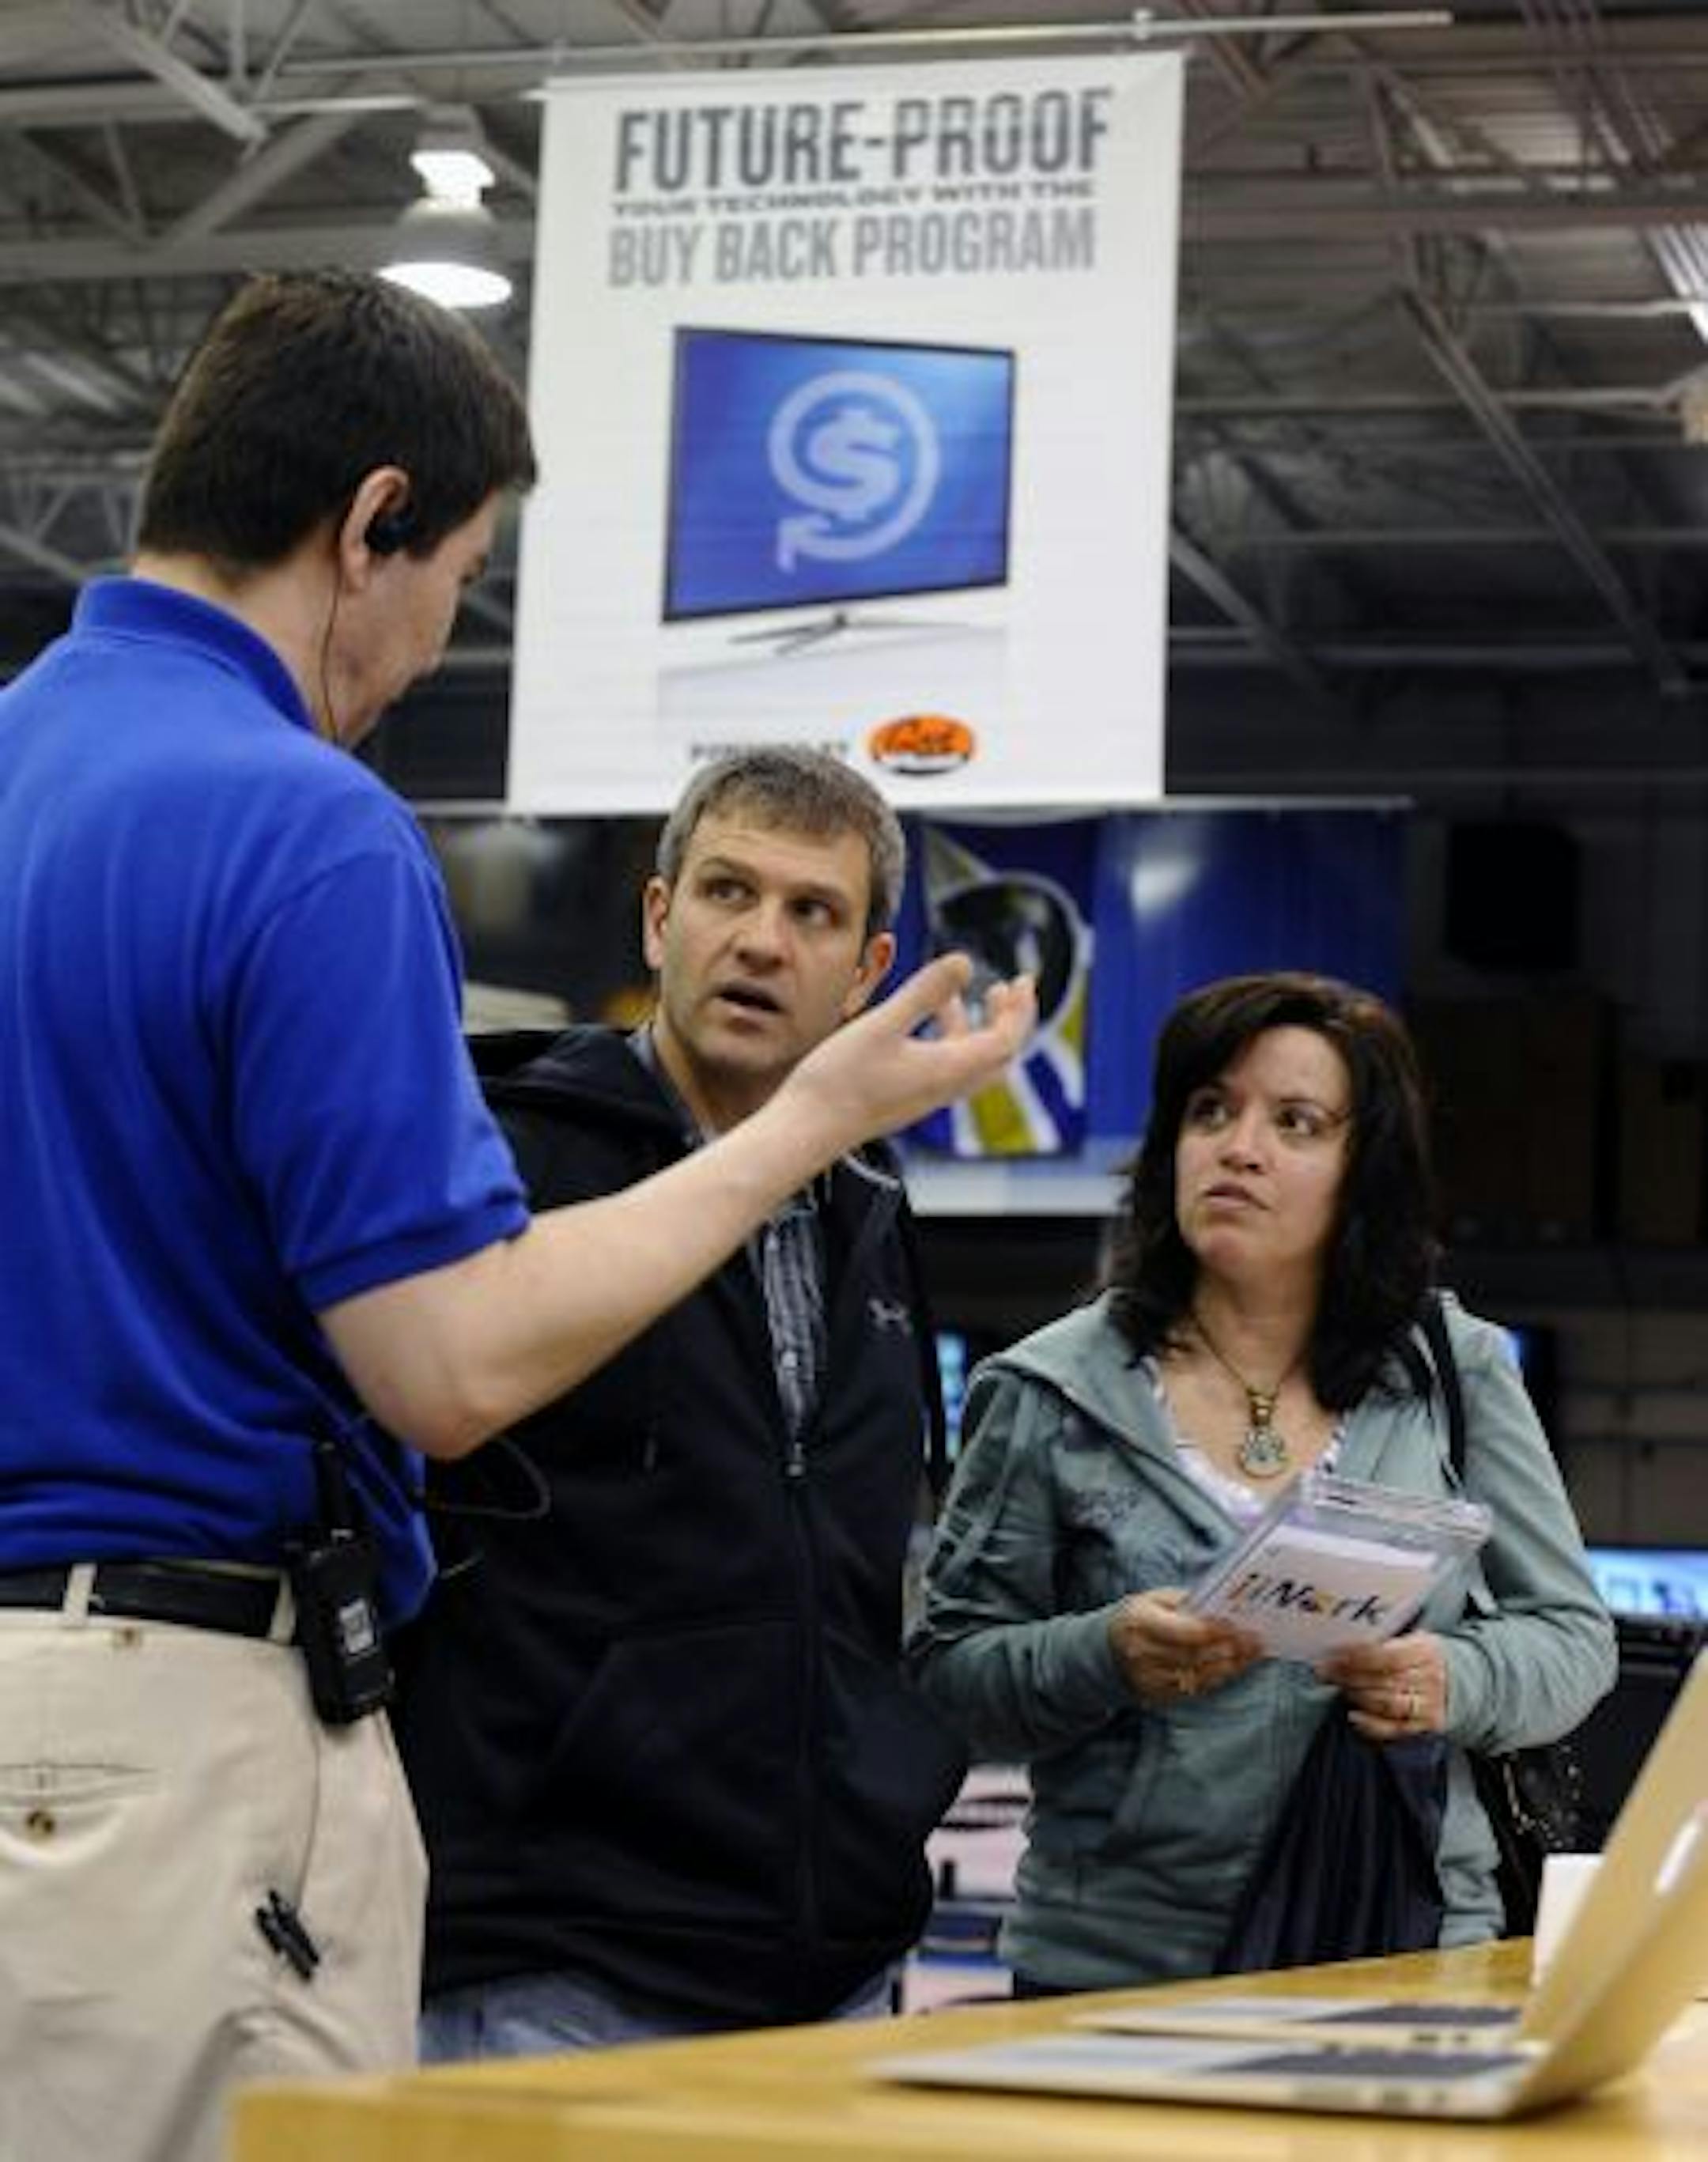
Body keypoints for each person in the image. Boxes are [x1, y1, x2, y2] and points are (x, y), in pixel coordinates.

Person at [0, 273, 1033, 2162]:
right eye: (455, 573)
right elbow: (451, 1362)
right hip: (183, 1731)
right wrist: (805, 1126)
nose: (422, 641)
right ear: (370, 522)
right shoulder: (302, 818)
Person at [397, 746, 968, 2057]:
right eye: (726, 892)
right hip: (560, 1954)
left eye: (811, 911)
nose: (761, 941)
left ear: (869, 970)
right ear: (660, 918)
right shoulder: (509, 1158)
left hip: (832, 1957)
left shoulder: (871, 1215)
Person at [909, 970, 1615, 1995]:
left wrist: (1449, 1679)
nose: (1239, 1147)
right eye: (1211, 1109)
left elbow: (1572, 1637)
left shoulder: (1452, 1368)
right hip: (1124, 1976)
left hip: (1408, 1952)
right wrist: (1104, 1651)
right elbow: (949, 1674)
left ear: (1362, 1169)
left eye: (1296, 1121)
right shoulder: (1046, 1388)